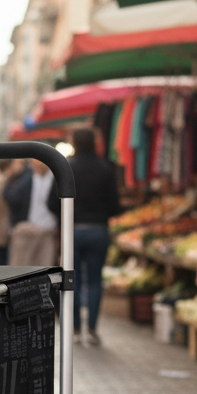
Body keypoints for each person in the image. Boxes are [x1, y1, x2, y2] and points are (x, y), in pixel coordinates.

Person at [59, 128, 121, 346]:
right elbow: (115, 205)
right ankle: (92, 329)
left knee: (71, 280)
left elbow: (51, 202)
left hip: (72, 231)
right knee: (95, 280)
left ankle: (75, 329)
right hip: (98, 230)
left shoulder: (66, 167)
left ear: (74, 142)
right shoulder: (105, 168)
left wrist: (66, 216)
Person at [4, 159, 59, 266]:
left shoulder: (55, 179)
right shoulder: (26, 179)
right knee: (21, 267)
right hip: (28, 228)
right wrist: (12, 175)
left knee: (45, 266)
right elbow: (10, 197)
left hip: (48, 231)